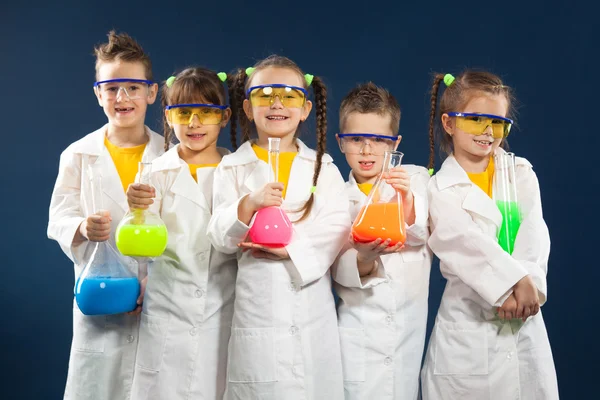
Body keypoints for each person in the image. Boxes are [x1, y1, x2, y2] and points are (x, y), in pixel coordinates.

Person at [207, 55, 349, 399]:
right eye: (264, 94)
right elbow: (219, 237)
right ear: (247, 106)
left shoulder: (324, 168)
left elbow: (338, 225)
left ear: (305, 109)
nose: (276, 104)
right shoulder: (232, 167)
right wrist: (249, 204)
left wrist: (293, 249)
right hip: (258, 308)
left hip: (311, 312)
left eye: (289, 96)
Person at [420, 71, 559, 400]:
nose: (488, 132)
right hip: (468, 328)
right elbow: (461, 242)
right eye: (476, 119)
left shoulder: (520, 172)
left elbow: (534, 232)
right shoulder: (439, 188)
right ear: (449, 123)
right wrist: (512, 283)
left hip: (525, 315)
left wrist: (530, 285)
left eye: (498, 123)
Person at [47, 30, 164, 399]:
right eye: (112, 88)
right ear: (98, 93)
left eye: (133, 87)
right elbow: (58, 219)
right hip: (100, 300)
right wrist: (82, 227)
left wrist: (156, 287)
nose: (122, 97)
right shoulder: (78, 155)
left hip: (158, 299)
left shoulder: (171, 156)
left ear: (152, 93)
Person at [332, 82, 431, 400]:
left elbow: (419, 233)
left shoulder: (414, 178)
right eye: (356, 139)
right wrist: (362, 257)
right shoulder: (333, 195)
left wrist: (404, 199)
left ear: (396, 142)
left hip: (407, 337)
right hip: (357, 335)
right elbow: (335, 267)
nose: (367, 150)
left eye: (378, 140)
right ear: (340, 142)